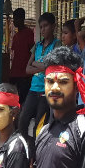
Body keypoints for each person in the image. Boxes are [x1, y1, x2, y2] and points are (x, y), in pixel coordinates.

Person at [20, 12, 61, 151]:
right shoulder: (37, 46)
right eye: (41, 27)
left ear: (53, 26)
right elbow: (27, 69)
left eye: (46, 26)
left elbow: (50, 67)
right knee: (22, 120)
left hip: (46, 91)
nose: (43, 29)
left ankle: (36, 154)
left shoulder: (57, 44)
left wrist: (36, 65)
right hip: (33, 89)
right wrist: (42, 66)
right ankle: (26, 149)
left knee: (39, 124)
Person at [9, 8, 35, 105]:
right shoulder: (16, 36)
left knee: (22, 100)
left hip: (24, 74)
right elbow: (14, 54)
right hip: (14, 73)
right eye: (14, 18)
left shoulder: (29, 33)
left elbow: (32, 51)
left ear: (22, 19)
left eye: (16, 18)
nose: (14, 21)